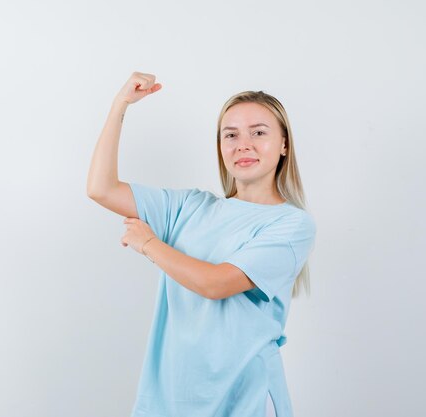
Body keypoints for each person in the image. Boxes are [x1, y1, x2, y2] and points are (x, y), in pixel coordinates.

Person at [87, 71, 316, 417]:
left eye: (259, 133)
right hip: (170, 397)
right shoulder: (190, 207)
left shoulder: (292, 224)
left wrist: (149, 243)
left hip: (244, 399)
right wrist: (121, 104)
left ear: (284, 144)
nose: (243, 144)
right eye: (231, 135)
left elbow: (216, 283)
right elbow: (101, 188)